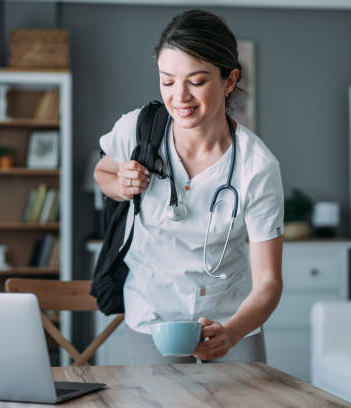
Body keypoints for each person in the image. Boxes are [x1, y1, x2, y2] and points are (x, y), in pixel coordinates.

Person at [94, 9, 284, 364]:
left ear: (229, 81)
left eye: (196, 81)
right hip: (152, 319)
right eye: (167, 81)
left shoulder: (257, 167)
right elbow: (103, 174)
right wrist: (122, 184)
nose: (179, 97)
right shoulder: (137, 129)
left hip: (231, 321)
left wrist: (231, 332)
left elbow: (269, 282)